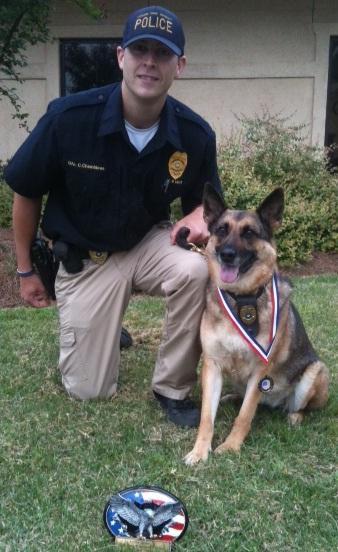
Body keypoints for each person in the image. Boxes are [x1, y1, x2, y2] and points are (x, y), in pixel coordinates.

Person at [4, 5, 221, 427]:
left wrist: (199, 218)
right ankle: (102, 328)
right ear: (121, 57)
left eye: (162, 54)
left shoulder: (195, 134)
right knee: (88, 391)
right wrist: (26, 270)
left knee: (196, 271)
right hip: (86, 260)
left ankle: (172, 389)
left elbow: (206, 206)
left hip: (146, 244)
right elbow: (25, 191)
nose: (149, 62)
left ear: (180, 65)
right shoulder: (69, 118)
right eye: (140, 50)